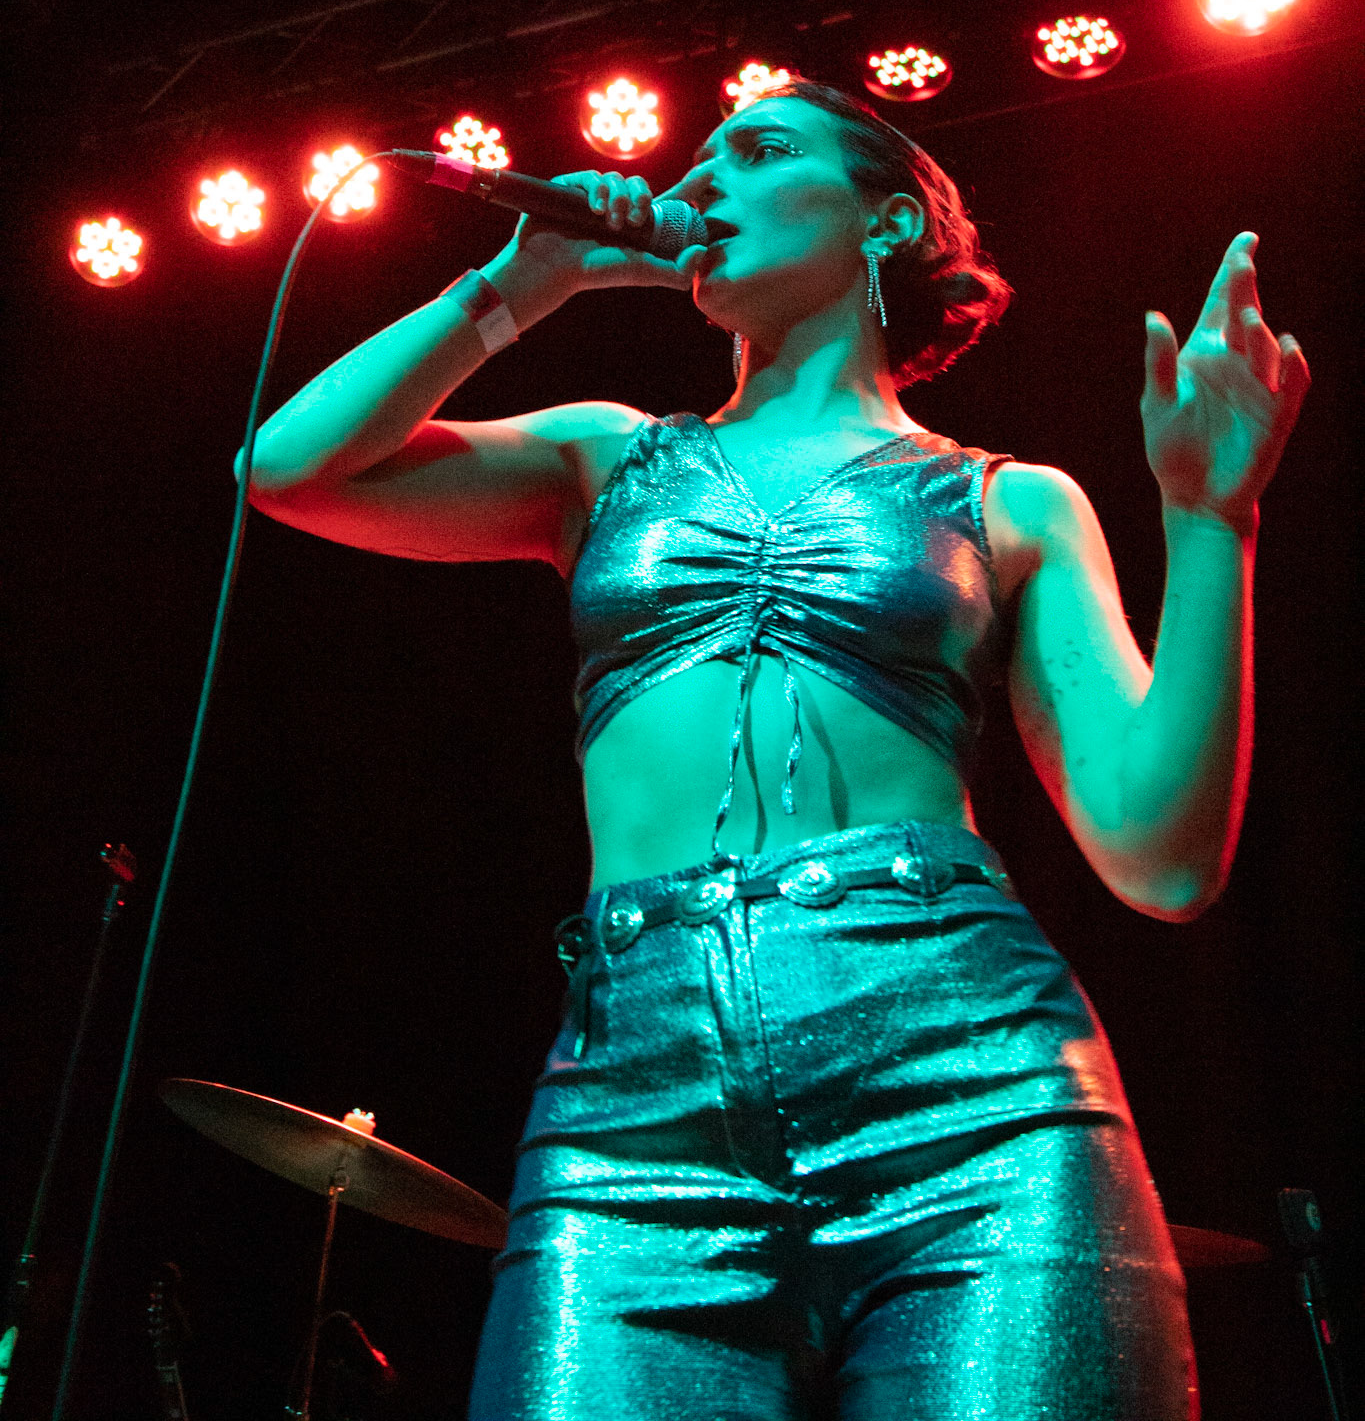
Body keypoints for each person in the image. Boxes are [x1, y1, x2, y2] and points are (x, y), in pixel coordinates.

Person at [244, 81, 1309, 1419]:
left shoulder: (1008, 500)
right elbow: (291, 468)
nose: (701, 184)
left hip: (965, 1072)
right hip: (635, 1093)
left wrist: (1210, 520)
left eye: (755, 152)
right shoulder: (602, 460)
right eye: (695, 164)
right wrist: (523, 285)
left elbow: (1163, 857)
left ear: (889, 220)